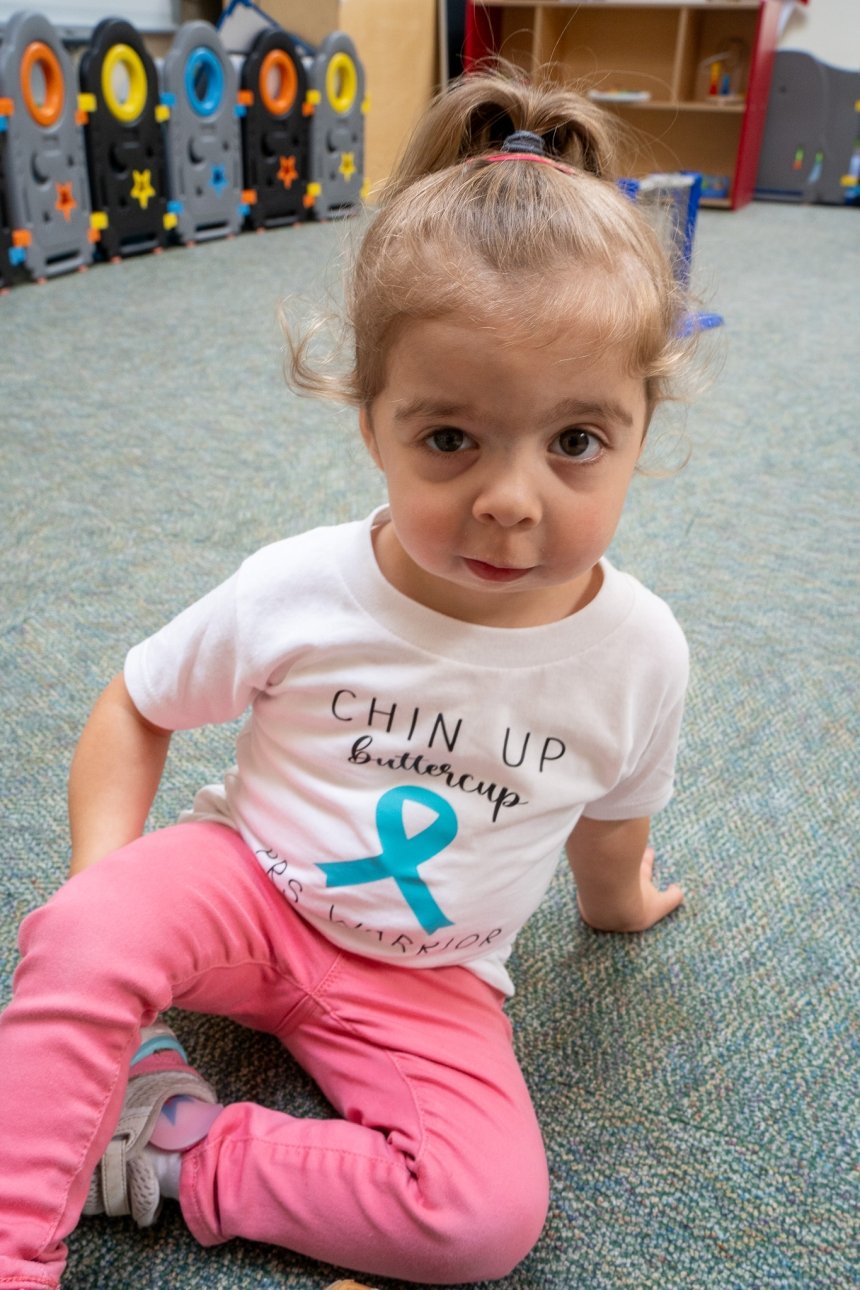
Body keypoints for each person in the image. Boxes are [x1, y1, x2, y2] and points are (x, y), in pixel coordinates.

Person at [0, 68, 696, 1289]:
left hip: (428, 975)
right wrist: (107, 900)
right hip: (249, 893)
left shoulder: (637, 655)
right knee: (79, 933)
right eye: (447, 438)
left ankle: (174, 1153)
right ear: (368, 420)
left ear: (642, 427)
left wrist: (623, 905)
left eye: (575, 441)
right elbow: (138, 703)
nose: (508, 498)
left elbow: (611, 826)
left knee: (483, 1221)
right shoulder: (300, 587)